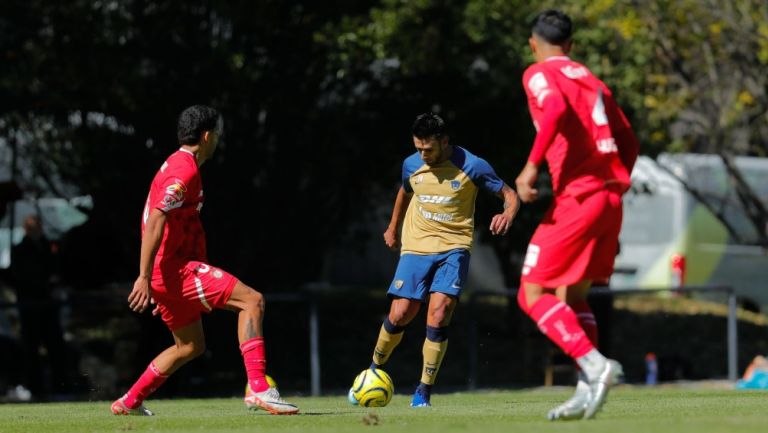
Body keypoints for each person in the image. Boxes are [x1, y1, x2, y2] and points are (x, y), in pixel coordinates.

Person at [111, 105, 298, 416]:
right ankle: (259, 389)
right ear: (207, 135)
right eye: (218, 135)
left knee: (190, 346)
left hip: (167, 273)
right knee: (253, 301)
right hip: (173, 269)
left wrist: (158, 283)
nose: (218, 141)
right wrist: (145, 277)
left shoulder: (178, 163)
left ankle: (129, 401)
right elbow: (157, 217)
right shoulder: (184, 170)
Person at [514, 10, 640, 421]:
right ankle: (588, 390)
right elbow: (628, 140)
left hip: (579, 198)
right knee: (575, 294)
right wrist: (615, 185)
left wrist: (531, 167)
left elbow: (553, 112)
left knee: (531, 294)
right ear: (570, 45)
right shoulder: (591, 79)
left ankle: (595, 364)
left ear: (535, 44)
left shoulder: (538, 74)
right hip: (609, 198)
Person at [352, 113, 519, 407]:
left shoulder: (472, 165)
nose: (423, 155)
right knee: (402, 312)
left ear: (444, 141)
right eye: (418, 149)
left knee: (439, 312)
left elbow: (510, 194)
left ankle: (423, 391)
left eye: (428, 149)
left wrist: (507, 213)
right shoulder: (411, 165)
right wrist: (393, 227)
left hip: (454, 247)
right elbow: (404, 193)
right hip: (416, 246)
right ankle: (373, 371)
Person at [10, 214, 68, 400]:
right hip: (31, 305)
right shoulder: (21, 250)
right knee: (31, 348)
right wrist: (44, 284)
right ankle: (36, 388)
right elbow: (21, 277)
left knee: (55, 347)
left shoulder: (48, 247)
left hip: (48, 305)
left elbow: (56, 269)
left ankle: (60, 386)